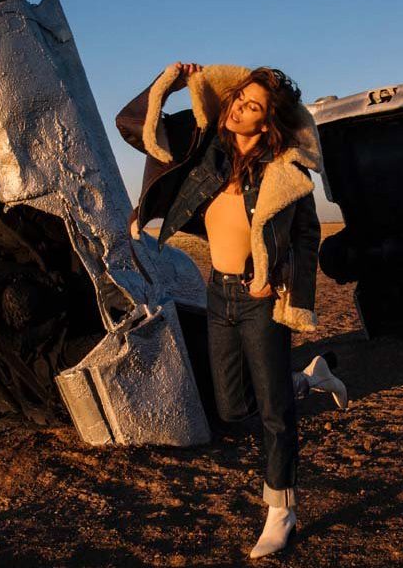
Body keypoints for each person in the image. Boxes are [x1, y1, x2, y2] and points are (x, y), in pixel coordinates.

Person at [116, 62, 348, 558]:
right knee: (232, 407)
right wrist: (170, 82)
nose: (240, 107)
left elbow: (307, 236)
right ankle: (308, 378)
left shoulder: (284, 172)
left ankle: (282, 510)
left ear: (267, 123)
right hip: (217, 294)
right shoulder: (208, 152)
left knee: (275, 415)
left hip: (261, 297)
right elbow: (133, 127)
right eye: (240, 97)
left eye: (253, 105)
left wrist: (285, 288)